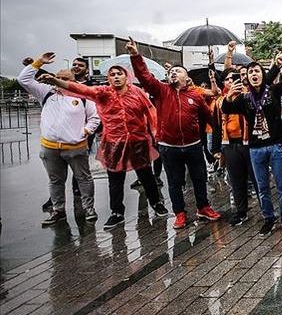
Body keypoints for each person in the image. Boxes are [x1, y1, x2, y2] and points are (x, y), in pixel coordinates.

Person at [39, 64, 169, 230]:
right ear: (109, 78)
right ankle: (117, 212)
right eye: (112, 74)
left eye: (119, 74)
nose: (116, 77)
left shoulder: (138, 93)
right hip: (113, 143)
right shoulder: (103, 92)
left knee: (146, 175)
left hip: (138, 142)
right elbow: (79, 89)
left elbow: (151, 112)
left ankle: (156, 203)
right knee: (115, 179)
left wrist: (156, 133)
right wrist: (55, 81)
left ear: (126, 76)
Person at [128, 38, 221, 229]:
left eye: (177, 71)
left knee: (199, 178)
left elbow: (209, 117)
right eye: (171, 72)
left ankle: (203, 207)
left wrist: (219, 138)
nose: (173, 73)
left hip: (193, 146)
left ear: (186, 78)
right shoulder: (162, 90)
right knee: (174, 182)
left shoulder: (195, 95)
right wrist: (135, 56)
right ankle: (179, 213)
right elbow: (145, 77)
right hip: (169, 147)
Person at [222, 56, 282, 236]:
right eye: (250, 72)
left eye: (257, 71)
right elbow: (226, 109)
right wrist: (229, 95)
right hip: (256, 149)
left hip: (276, 146)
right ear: (247, 78)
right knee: (263, 187)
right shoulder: (244, 98)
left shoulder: (274, 90)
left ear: (262, 75)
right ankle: (268, 219)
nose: (254, 74)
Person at [20, 53, 99, 225]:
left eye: (64, 79)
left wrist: (85, 131)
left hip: (75, 147)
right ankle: (58, 210)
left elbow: (95, 118)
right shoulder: (46, 92)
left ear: (72, 81)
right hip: (50, 147)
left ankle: (89, 208)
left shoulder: (82, 96)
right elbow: (23, 80)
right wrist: (38, 62)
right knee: (56, 181)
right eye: (57, 78)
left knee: (84, 179)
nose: (59, 81)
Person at [212, 71, 256, 226]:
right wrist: (215, 149)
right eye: (228, 79)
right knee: (236, 180)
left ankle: (267, 211)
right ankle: (241, 211)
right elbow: (216, 125)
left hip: (249, 143)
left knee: (256, 178)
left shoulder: (249, 97)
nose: (231, 82)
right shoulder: (220, 102)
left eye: (234, 79)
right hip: (229, 144)